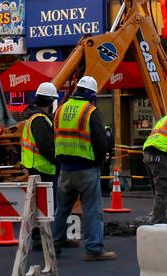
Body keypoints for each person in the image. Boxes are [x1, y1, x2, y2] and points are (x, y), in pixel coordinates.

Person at [52, 75, 115, 261]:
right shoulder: (90, 111)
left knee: (62, 209)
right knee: (92, 211)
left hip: (64, 168)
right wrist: (101, 161)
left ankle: (55, 244)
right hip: (86, 168)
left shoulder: (61, 110)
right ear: (91, 94)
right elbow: (101, 141)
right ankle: (93, 249)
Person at [20, 82, 58, 182]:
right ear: (49, 102)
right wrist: (60, 163)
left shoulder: (34, 117)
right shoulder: (39, 119)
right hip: (43, 170)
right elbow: (46, 148)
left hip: (36, 169)